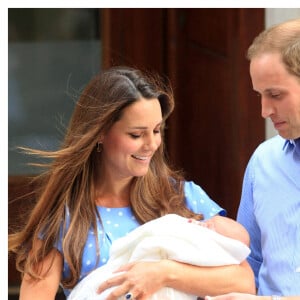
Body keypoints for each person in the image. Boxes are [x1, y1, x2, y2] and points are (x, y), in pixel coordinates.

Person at [8, 66, 255, 300]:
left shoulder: (183, 196)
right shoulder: (63, 218)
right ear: (100, 133)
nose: (151, 144)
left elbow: (243, 281)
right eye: (136, 134)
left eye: (157, 130)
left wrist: (162, 273)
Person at [203, 18, 300, 300]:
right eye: (259, 95)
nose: (264, 110)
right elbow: (248, 264)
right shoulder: (263, 162)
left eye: (275, 95)